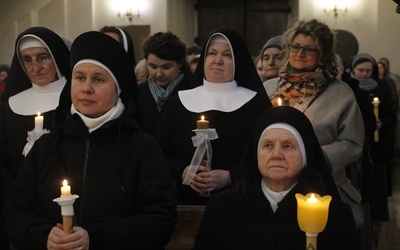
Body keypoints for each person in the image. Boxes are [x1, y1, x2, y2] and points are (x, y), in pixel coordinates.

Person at [1, 31, 176, 249]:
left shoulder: (143, 147)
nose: (86, 88)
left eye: (98, 79)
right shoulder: (46, 146)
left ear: (118, 88)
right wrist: (45, 236)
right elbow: (13, 214)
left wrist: (94, 238)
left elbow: (159, 221)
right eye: (80, 77)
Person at [193, 106, 358, 249]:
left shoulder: (335, 214)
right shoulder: (223, 208)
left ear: (306, 155)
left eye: (287, 146)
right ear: (256, 153)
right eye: (268, 145)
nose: (276, 155)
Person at [263, 19, 365, 227]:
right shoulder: (269, 87)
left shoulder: (340, 93)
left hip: (322, 187)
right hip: (274, 186)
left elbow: (352, 143)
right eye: (296, 47)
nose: (300, 54)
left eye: (310, 49)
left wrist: (312, 156)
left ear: (324, 54)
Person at [156, 27, 271, 205]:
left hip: (239, 202)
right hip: (183, 203)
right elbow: (159, 153)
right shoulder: (178, 103)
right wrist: (183, 171)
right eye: (212, 53)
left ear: (238, 61)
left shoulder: (256, 105)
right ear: (204, 59)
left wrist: (230, 176)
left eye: (227, 55)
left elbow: (266, 156)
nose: (218, 61)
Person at [0, 26, 70, 195]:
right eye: (27, 59)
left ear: (57, 57)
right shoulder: (8, 106)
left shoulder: (76, 98)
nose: (35, 67)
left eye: (43, 58)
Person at [351, 53, 396, 221]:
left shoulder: (381, 86)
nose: (364, 74)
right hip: (358, 143)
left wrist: (381, 123)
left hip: (377, 145)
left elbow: (390, 115)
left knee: (377, 182)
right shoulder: (350, 88)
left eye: (368, 71)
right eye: (360, 70)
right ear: (354, 69)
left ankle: (376, 218)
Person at [138, 31, 193, 135]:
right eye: (153, 66)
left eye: (166, 67)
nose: (159, 74)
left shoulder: (192, 90)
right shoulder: (138, 93)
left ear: (180, 63)